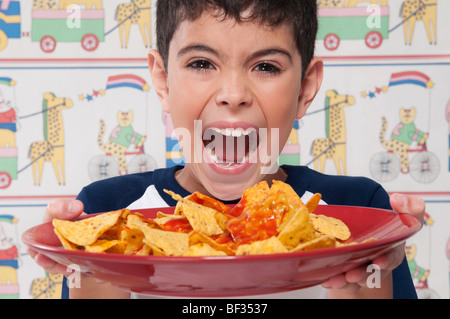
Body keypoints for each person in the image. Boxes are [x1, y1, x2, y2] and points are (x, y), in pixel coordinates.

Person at [29, 0, 425, 299]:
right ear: (163, 81)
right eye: (202, 63)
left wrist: (365, 276)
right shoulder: (105, 213)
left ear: (305, 89)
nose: (234, 95)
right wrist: (95, 269)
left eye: (266, 67)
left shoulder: (362, 213)